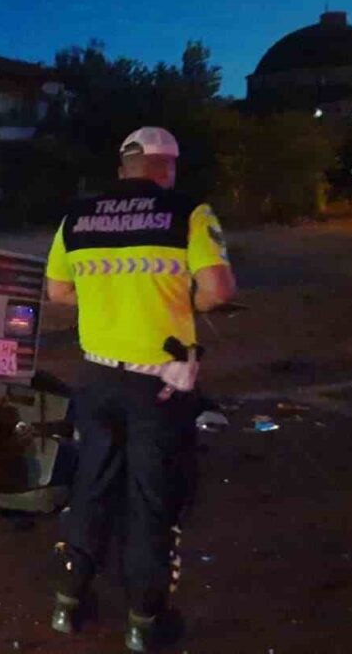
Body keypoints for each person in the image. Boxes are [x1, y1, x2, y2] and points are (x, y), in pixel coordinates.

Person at [43, 126, 237, 652]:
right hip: (160, 383)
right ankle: (142, 622)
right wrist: (181, 300)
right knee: (151, 499)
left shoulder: (76, 218)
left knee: (92, 485)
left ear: (123, 166)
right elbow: (218, 292)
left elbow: (58, 292)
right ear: (166, 166)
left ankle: (67, 603)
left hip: (97, 377)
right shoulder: (188, 213)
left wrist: (109, 300)